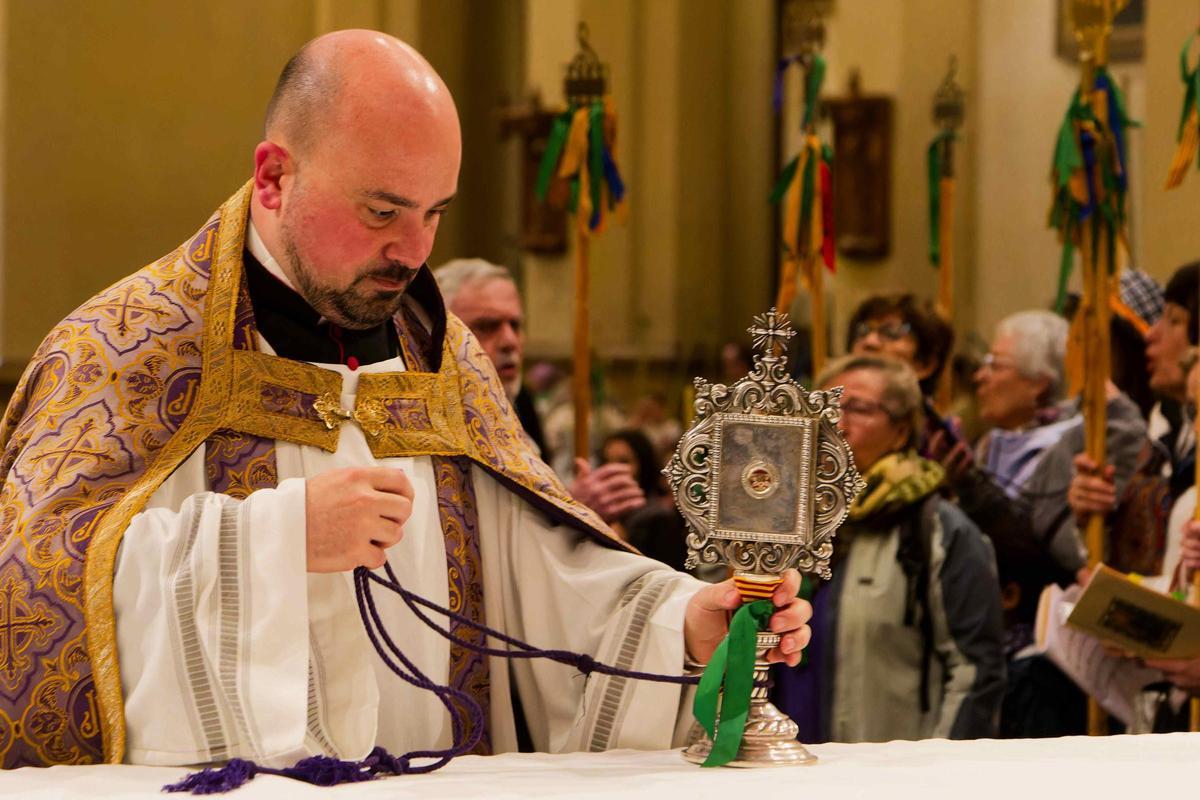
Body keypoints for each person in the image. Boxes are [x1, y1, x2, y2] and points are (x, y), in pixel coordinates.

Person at [0, 31, 814, 768]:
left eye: (435, 214)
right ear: (275, 177)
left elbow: (538, 574)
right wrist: (280, 541)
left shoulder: (439, 353)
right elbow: (30, 592)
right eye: (382, 210)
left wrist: (680, 625)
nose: (414, 251)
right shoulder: (129, 345)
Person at [771, 355, 1005, 743]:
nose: (836, 422)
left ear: (901, 431)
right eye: (825, 406)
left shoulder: (936, 530)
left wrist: (938, 771)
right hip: (785, 766)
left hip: (892, 774)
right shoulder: (785, 522)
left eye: (858, 408)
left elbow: (974, 674)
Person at [434, 258, 645, 523]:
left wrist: (571, 504)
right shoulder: (430, 419)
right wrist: (573, 510)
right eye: (487, 326)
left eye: (515, 325)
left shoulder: (523, 406)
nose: (510, 342)